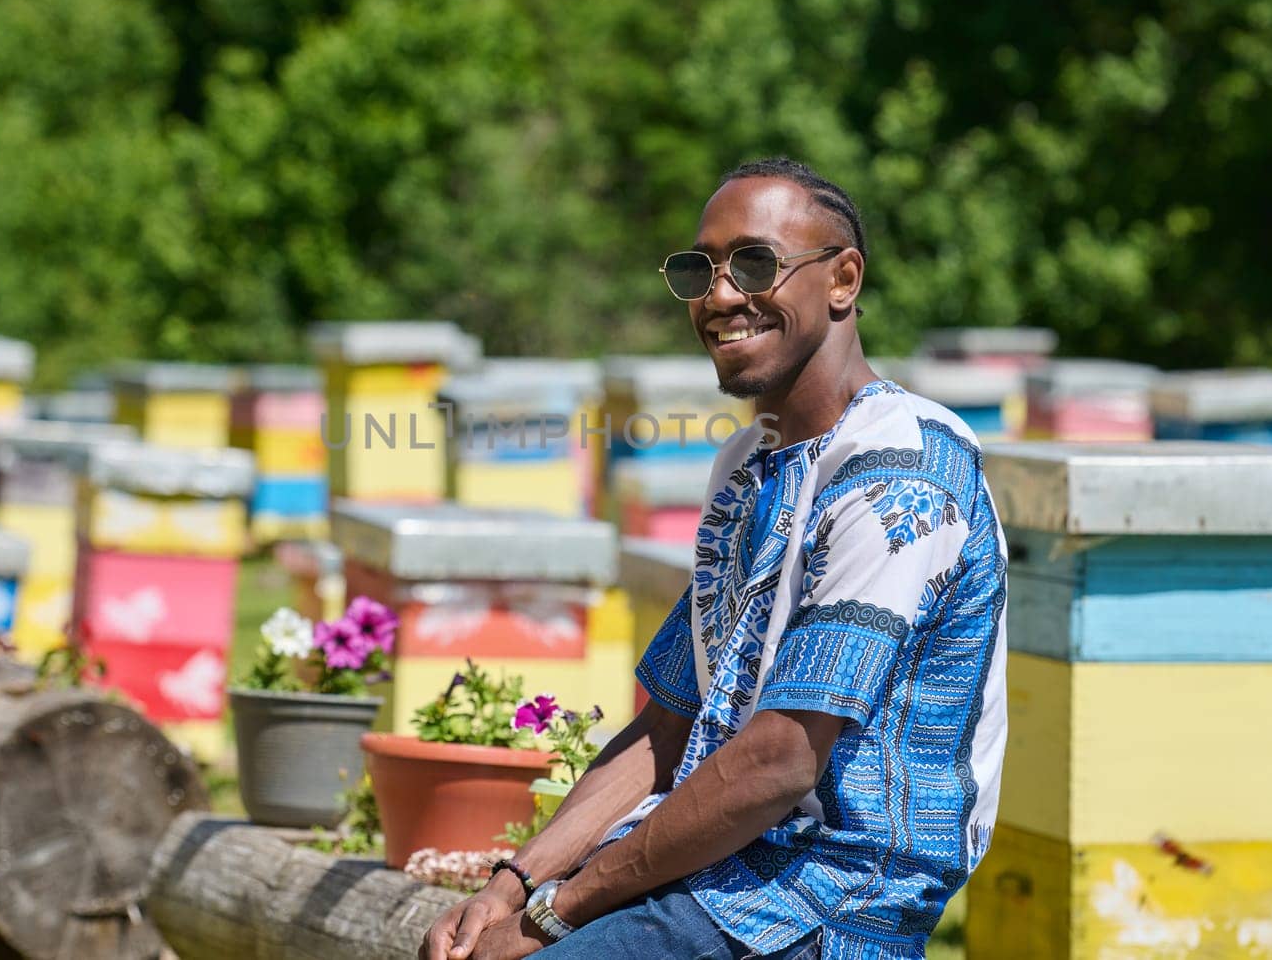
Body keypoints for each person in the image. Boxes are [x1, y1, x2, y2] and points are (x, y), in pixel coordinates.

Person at [420, 157, 1008, 960]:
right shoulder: (750, 464)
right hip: (716, 870)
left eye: (757, 264)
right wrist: (513, 883)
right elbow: (669, 719)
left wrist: (559, 911)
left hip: (825, 902)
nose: (721, 295)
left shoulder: (900, 469)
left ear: (843, 279)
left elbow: (780, 760)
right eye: (701, 269)